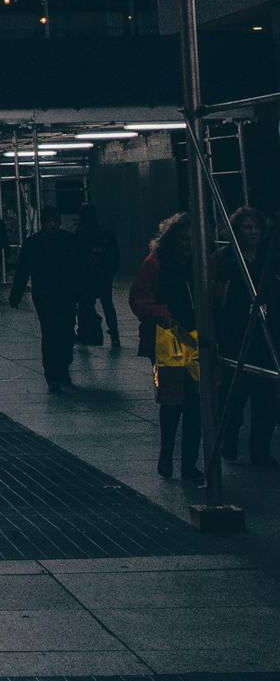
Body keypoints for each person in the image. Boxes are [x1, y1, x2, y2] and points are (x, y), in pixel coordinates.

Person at [130, 211, 202, 481]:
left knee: (194, 402)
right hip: (168, 337)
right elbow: (140, 298)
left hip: (193, 336)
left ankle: (187, 463)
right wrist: (162, 315)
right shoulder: (157, 263)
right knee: (173, 401)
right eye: (183, 239)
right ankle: (168, 454)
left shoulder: (199, 264)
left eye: (191, 240)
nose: (188, 245)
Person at [217, 206, 276, 470]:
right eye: (246, 227)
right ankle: (229, 437)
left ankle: (260, 451)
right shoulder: (228, 260)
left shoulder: (268, 260)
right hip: (236, 335)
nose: (252, 232)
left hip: (265, 338)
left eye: (255, 227)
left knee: (265, 399)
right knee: (235, 393)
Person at [10, 205, 81, 390]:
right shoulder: (36, 243)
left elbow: (80, 269)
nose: (51, 225)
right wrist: (16, 293)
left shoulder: (67, 241)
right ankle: (54, 375)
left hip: (62, 294)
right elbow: (23, 270)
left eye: (54, 221)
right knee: (51, 333)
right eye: (48, 222)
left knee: (64, 333)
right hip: (47, 296)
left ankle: (61, 368)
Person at [73, 204, 119, 349]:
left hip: (86, 276)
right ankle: (114, 335)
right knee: (108, 305)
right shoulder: (106, 234)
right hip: (103, 276)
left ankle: (83, 333)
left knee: (84, 306)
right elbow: (115, 257)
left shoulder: (80, 234)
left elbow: (76, 257)